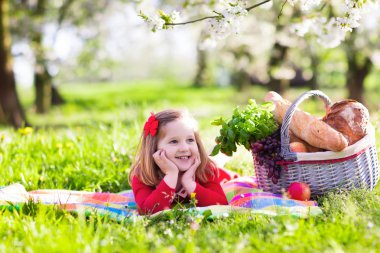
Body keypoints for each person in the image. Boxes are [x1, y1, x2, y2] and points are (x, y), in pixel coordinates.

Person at [128, 109, 229, 214]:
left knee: (219, 167)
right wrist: (171, 175)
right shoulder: (143, 174)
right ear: (154, 148)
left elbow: (221, 204)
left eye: (190, 140)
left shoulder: (204, 168)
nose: (184, 148)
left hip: (221, 174)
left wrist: (189, 183)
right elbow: (148, 211)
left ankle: (221, 157)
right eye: (174, 141)